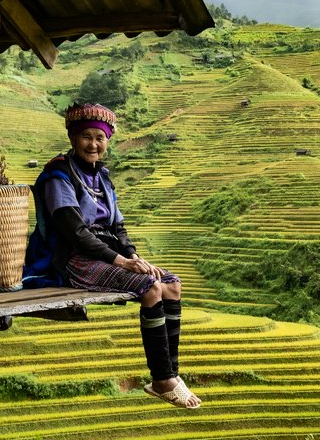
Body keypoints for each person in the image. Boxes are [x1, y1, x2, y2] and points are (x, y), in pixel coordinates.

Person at [22, 103, 200, 409]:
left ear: (108, 141)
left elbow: (118, 227)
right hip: (73, 257)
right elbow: (75, 232)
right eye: (86, 137)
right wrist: (123, 262)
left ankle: (171, 374)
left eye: (100, 138)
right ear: (73, 137)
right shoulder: (57, 176)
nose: (93, 144)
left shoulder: (102, 177)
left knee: (171, 283)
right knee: (150, 288)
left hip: (107, 254)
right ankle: (162, 379)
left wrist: (134, 255)